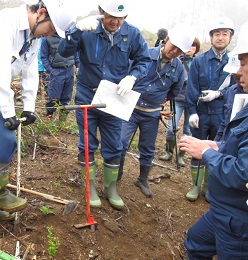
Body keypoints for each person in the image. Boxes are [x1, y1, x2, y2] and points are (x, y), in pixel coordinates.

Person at [0, 0, 76, 220]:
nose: (50, 35)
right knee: (4, 140)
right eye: (52, 29)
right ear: (42, 13)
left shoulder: (32, 36)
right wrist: (8, 112)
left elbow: (29, 71)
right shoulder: (5, 21)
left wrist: (29, 107)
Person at [158, 21, 248, 260]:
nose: (239, 73)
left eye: (245, 65)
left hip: (239, 219)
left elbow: (243, 174)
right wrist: (218, 145)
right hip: (225, 208)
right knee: (198, 240)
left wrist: (207, 153)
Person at [57, 0, 151, 210]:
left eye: (120, 18)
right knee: (88, 144)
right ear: (101, 12)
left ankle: (110, 188)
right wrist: (75, 31)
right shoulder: (88, 29)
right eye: (110, 16)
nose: (115, 21)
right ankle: (90, 189)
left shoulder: (132, 34)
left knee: (114, 144)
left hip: (114, 99)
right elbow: (63, 52)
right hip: (87, 96)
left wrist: (133, 77)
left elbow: (144, 61)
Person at [119, 23, 195, 197]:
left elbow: (174, 91)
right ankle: (118, 173)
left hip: (152, 114)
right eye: (173, 46)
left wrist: (159, 100)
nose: (174, 51)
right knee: (121, 142)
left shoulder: (178, 68)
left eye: (179, 51)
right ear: (166, 39)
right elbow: (128, 71)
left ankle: (143, 179)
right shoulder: (145, 55)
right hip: (130, 109)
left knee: (147, 148)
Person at [185, 16, 236, 201]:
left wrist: (219, 94)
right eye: (216, 34)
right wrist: (192, 111)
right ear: (211, 37)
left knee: (216, 149)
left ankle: (209, 186)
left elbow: (235, 88)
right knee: (197, 148)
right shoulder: (199, 61)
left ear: (230, 37)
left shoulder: (234, 61)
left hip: (222, 114)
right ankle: (195, 185)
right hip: (202, 113)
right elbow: (192, 87)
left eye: (224, 34)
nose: (220, 38)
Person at [159, 37, 201, 167]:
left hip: (193, 101)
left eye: (193, 47)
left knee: (188, 130)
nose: (190, 49)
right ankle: (169, 152)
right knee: (172, 127)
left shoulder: (197, 63)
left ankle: (181, 156)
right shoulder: (177, 61)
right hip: (178, 99)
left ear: (196, 49)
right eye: (188, 46)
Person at [40, 33, 80, 121]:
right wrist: (51, 70)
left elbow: (75, 52)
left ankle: (62, 121)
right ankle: (49, 118)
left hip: (69, 70)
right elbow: (43, 56)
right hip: (56, 71)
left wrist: (78, 65)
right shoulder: (47, 38)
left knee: (66, 97)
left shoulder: (70, 36)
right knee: (54, 98)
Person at [214, 54, 242, 141]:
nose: (235, 76)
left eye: (238, 74)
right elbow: (224, 122)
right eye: (233, 73)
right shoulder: (231, 91)